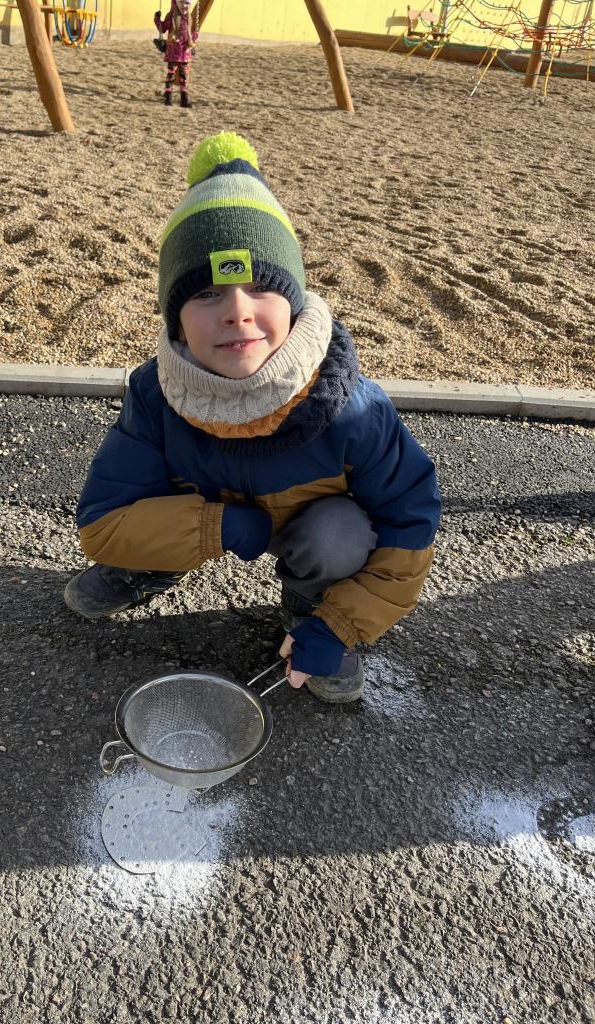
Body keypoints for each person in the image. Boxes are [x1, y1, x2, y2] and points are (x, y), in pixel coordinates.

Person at [65, 132, 441, 703]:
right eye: (207, 294)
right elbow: (103, 522)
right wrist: (218, 527)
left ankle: (314, 605)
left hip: (308, 530)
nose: (238, 312)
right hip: (212, 515)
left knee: (340, 533)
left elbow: (409, 524)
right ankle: (153, 567)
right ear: (174, 319)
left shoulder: (353, 410)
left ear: (294, 302)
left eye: (261, 286)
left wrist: (344, 624)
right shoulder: (155, 392)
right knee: (138, 522)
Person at [154, 0, 198, 108]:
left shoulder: (189, 17)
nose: (184, 6)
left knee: (184, 76)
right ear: (177, 3)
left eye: (187, 3)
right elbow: (162, 29)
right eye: (182, 2)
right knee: (171, 75)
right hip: (173, 52)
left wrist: (194, 36)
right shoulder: (172, 16)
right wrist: (157, 18)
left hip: (185, 53)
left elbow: (190, 33)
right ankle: (168, 97)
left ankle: (184, 99)